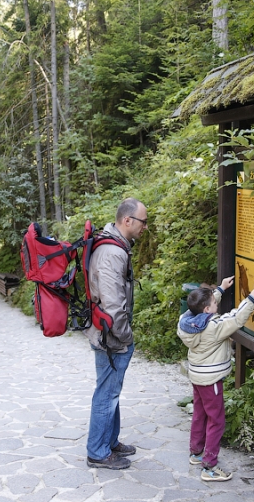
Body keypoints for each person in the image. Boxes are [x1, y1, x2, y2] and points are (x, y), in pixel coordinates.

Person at [177, 276, 254, 481]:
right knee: (216, 420)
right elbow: (236, 318)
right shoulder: (214, 328)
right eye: (214, 303)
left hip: (197, 376)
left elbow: (202, 307)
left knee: (200, 414)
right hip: (211, 380)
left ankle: (196, 452)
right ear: (208, 310)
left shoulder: (185, 321)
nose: (216, 304)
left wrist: (219, 289)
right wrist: (253, 296)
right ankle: (209, 466)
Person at [84, 197, 148, 470]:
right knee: (106, 393)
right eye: (143, 221)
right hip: (111, 337)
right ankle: (97, 452)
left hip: (109, 334)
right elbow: (112, 305)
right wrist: (125, 337)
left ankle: (109, 442)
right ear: (128, 220)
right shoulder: (112, 253)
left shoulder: (116, 245)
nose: (145, 227)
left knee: (111, 391)